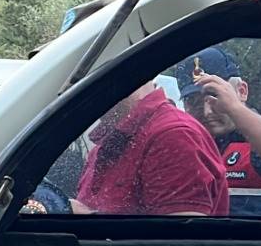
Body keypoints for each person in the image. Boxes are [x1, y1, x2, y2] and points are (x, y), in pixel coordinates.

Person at [174, 46, 261, 217]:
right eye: (194, 102)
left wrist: (234, 108)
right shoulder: (182, 144)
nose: (207, 112)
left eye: (216, 97)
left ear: (242, 91)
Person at [71, 79, 229, 216]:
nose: (82, 96)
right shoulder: (112, 139)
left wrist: (85, 218)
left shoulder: (172, 136)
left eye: (93, 83)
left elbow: (180, 243)